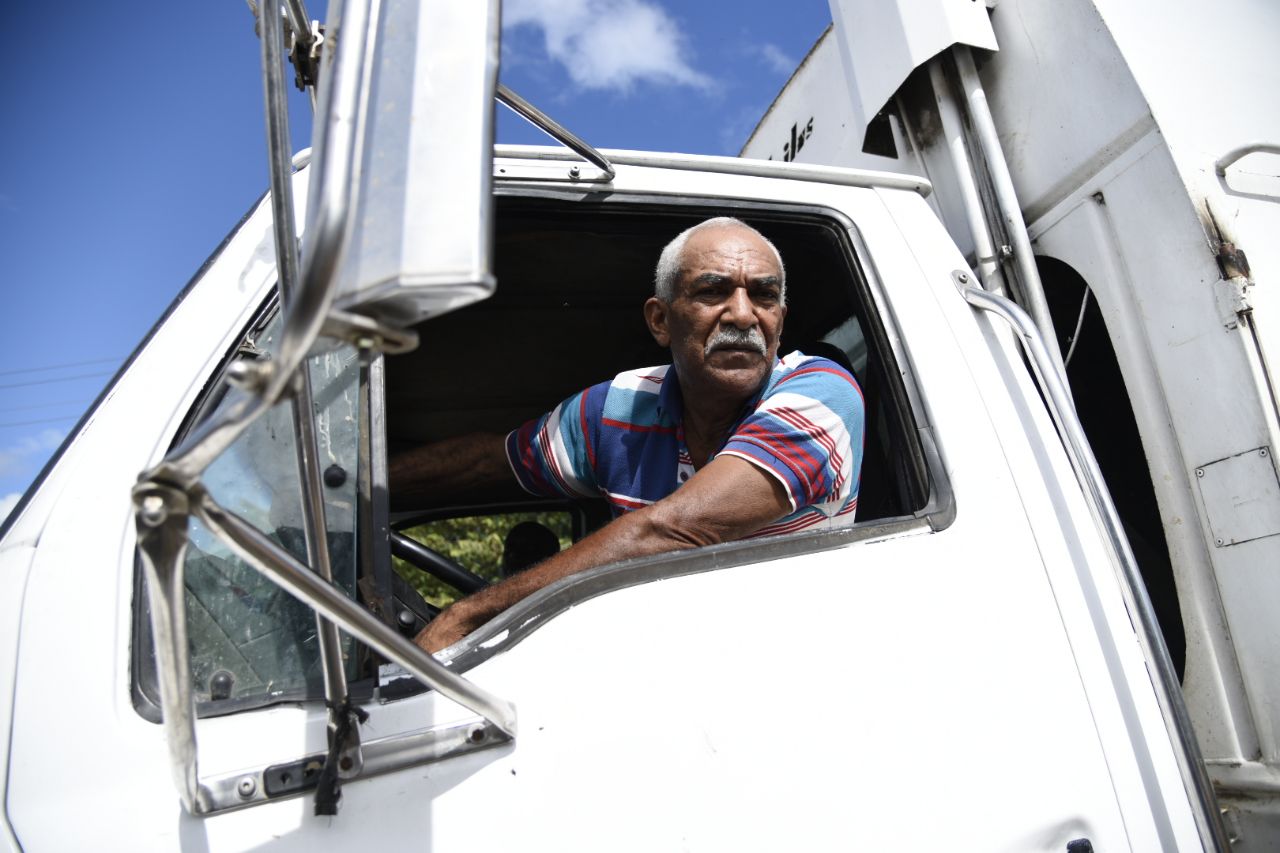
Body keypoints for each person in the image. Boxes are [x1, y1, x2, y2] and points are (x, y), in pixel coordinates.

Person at [391, 217, 864, 652]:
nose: (742, 315)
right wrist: (350, 485)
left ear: (780, 319)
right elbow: (489, 462)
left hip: (794, 660)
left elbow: (677, 528)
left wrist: (468, 617)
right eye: (713, 291)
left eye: (763, 296)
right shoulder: (616, 406)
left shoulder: (822, 395)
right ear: (660, 320)